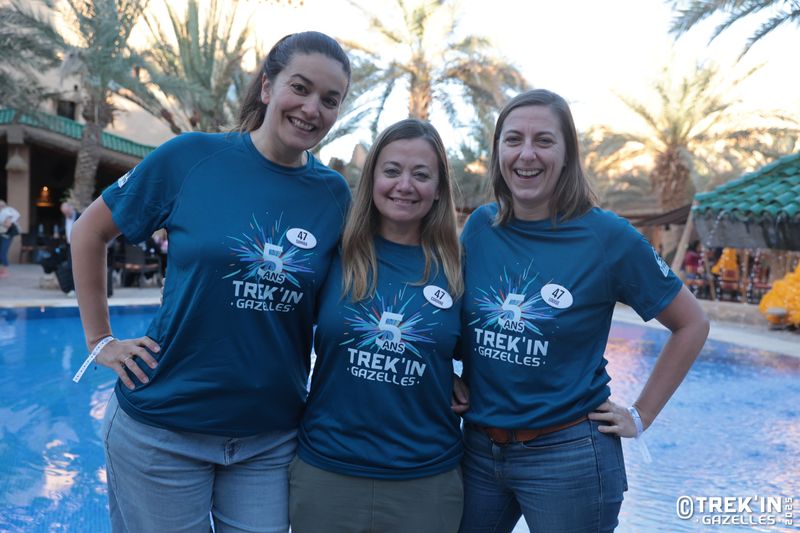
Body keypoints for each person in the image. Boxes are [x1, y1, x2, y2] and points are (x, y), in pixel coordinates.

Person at [70, 31, 352, 533]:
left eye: (330, 100)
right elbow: (89, 232)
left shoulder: (334, 196)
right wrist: (100, 341)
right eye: (300, 88)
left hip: (269, 438)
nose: (312, 109)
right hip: (162, 430)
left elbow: (350, 303)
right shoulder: (190, 158)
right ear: (267, 87)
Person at [457, 89, 710, 533]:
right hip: (477, 450)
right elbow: (451, 322)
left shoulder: (608, 237)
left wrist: (642, 414)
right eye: (513, 139)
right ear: (498, 151)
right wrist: (444, 374)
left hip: (568, 456)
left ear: (567, 154)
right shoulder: (480, 227)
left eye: (544, 140)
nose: (527, 154)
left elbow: (691, 323)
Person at [289, 119, 467, 533]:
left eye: (421, 174)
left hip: (426, 483)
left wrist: (462, 378)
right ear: (371, 179)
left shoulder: (460, 268)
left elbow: (491, 352)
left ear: (438, 188)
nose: (405, 185)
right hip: (327, 473)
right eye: (392, 171)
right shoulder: (333, 254)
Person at [0, 200, 21, 279]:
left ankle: (5, 271)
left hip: (6, 236)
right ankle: (2, 271)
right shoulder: (3, 213)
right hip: (2, 235)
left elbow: (8, 225)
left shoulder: (7, 213)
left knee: (3, 253)